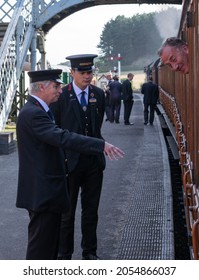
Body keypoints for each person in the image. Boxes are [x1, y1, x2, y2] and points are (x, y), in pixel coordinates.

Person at [16, 69, 124, 260]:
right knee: (40, 249)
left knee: (48, 246)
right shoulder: (34, 114)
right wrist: (100, 145)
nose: (60, 90)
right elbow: (62, 137)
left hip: (45, 193)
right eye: (56, 86)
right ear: (41, 87)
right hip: (42, 194)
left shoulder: (37, 110)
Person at [51, 54, 116, 260]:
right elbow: (57, 130)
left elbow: (96, 128)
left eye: (90, 72)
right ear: (72, 73)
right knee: (66, 214)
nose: (87, 76)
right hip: (69, 163)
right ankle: (64, 254)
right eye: (82, 72)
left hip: (93, 163)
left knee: (91, 212)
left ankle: (90, 252)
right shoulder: (61, 97)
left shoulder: (98, 93)